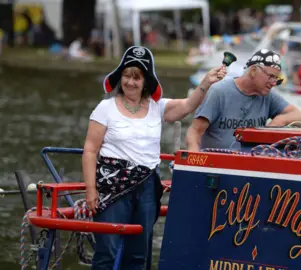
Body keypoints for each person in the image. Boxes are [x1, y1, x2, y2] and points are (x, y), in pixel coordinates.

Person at [82, 46, 226, 270]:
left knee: (139, 253)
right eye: (127, 76)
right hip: (111, 186)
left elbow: (188, 105)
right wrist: (91, 190)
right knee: (107, 251)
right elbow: (90, 150)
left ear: (146, 81)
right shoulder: (105, 108)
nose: (131, 82)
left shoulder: (157, 107)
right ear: (120, 77)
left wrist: (205, 83)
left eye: (137, 77)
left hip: (147, 185)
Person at [186, 49, 301, 152]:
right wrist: (194, 161)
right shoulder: (219, 92)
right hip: (216, 167)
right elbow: (195, 131)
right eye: (270, 76)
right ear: (254, 71)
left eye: (276, 79)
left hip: (250, 167)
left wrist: (280, 120)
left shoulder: (267, 95)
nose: (273, 83)